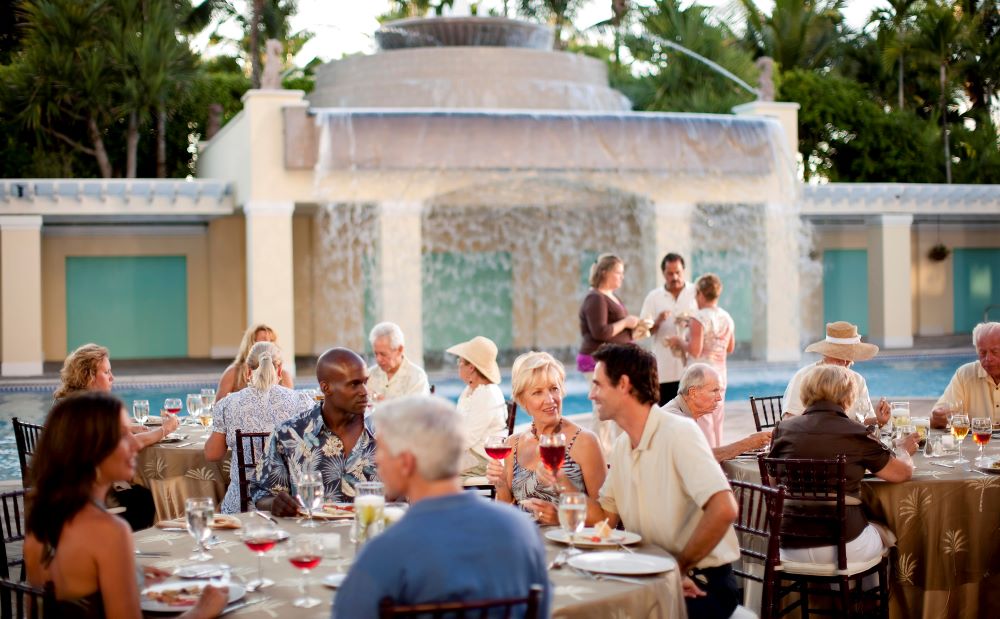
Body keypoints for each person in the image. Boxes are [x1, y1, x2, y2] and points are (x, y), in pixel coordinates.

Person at [334, 396, 550, 618]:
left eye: (380, 450)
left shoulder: (384, 552)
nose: (375, 461)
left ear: (406, 463)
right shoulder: (521, 532)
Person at [24, 392, 227, 619]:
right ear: (91, 450)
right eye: (122, 435)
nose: (134, 443)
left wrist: (133, 574)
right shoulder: (110, 533)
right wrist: (202, 611)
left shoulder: (42, 521)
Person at [588, 343, 740, 619]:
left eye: (598, 385)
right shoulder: (623, 446)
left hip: (703, 584)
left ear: (623, 385)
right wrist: (559, 480)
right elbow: (605, 520)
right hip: (652, 575)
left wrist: (676, 568)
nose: (591, 394)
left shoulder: (679, 433)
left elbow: (725, 508)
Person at [768, 364, 916, 567]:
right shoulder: (856, 433)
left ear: (806, 392)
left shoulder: (782, 430)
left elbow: (773, 482)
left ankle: (832, 598)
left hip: (788, 544)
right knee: (888, 533)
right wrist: (904, 450)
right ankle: (862, 598)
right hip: (843, 545)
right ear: (848, 396)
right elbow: (902, 474)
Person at [52, 343, 177, 530]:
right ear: (89, 376)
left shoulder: (66, 403)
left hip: (64, 491)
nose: (112, 378)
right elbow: (131, 444)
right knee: (144, 498)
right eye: (106, 372)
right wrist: (165, 429)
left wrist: (126, 427)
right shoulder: (93, 408)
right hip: (90, 498)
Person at [253, 348, 378, 515]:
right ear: (326, 388)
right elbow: (262, 494)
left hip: (372, 536)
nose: (364, 392)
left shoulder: (387, 433)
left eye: (365, 382)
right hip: (309, 538)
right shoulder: (288, 434)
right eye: (354, 384)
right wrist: (275, 503)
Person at [487, 352, 606, 525]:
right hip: (525, 543)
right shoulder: (513, 444)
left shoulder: (585, 442)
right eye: (537, 392)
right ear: (522, 400)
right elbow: (505, 511)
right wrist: (500, 484)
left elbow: (604, 519)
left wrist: (560, 518)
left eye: (554, 389)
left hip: (569, 545)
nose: (550, 400)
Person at [205, 341, 314, 513]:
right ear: (279, 370)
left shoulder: (228, 404)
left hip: (241, 507)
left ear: (248, 372)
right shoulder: (302, 402)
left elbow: (212, 454)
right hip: (288, 505)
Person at [578, 253, 640, 456]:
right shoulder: (595, 297)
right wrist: (626, 322)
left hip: (614, 360)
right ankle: (601, 457)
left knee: (617, 407)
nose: (622, 277)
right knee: (602, 409)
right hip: (597, 361)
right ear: (605, 272)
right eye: (618, 273)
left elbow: (618, 332)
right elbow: (600, 332)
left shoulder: (611, 296)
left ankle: (619, 452)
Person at [667, 273, 734, 447]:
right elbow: (730, 347)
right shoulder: (727, 317)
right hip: (720, 375)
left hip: (701, 377)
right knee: (717, 421)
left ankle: (708, 461)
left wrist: (679, 341)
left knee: (703, 422)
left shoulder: (699, 317)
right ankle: (721, 463)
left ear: (700, 294)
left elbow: (695, 351)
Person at [783, 321, 890, 427]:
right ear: (825, 353)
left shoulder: (858, 380)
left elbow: (864, 422)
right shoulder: (804, 376)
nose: (844, 361)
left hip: (848, 441)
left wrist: (879, 420)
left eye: (848, 355)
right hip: (812, 440)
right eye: (839, 354)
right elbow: (788, 421)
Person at [665, 364, 772, 462]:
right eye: (714, 391)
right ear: (693, 392)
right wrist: (748, 443)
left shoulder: (682, 412)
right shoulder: (677, 419)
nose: (719, 398)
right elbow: (701, 458)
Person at [640, 252, 699, 405]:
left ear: (684, 271)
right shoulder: (653, 297)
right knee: (666, 413)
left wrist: (690, 323)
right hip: (663, 368)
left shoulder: (696, 293)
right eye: (670, 273)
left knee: (692, 415)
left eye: (678, 272)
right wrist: (658, 321)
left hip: (691, 367)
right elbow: (642, 331)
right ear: (663, 274)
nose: (674, 277)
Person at [445, 336, 507, 476]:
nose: (458, 365)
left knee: (428, 465)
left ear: (471, 367)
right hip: (469, 454)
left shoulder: (487, 394)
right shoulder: (470, 391)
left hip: (483, 460)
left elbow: (467, 438)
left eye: (459, 362)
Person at [931, 322, 1000, 428]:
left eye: (995, 352)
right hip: (975, 443)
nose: (988, 359)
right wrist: (938, 418)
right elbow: (934, 420)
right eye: (982, 353)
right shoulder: (965, 375)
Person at [215, 324, 294, 401]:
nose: (269, 344)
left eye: (272, 340)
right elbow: (217, 407)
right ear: (250, 345)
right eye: (264, 340)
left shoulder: (284, 376)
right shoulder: (233, 373)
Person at [367, 322, 430, 401]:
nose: (378, 359)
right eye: (376, 354)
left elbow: (415, 410)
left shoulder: (417, 376)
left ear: (400, 349)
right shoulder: (369, 375)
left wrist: (381, 400)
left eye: (383, 354)